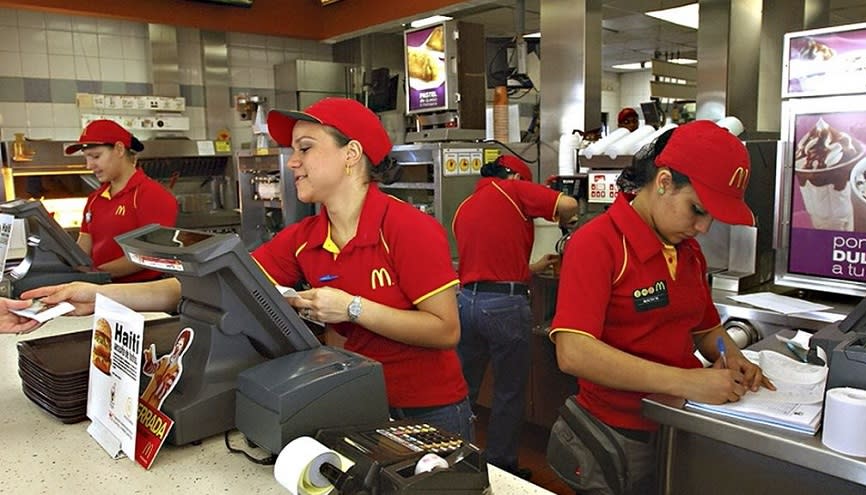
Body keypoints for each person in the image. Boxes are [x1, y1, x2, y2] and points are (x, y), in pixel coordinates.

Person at [20, 98, 474, 441]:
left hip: (424, 411)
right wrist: (93, 295)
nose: (292, 161)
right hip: (350, 401)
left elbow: (444, 330)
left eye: (306, 148)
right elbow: (198, 285)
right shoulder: (305, 236)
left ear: (351, 153)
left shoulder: (408, 228)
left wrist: (352, 308)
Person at [548, 120, 775, 495]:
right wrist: (687, 381)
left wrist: (731, 356)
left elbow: (706, 330)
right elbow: (574, 352)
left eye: (711, 217)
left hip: (678, 426)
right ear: (665, 182)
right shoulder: (598, 244)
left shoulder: (688, 252)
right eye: (696, 210)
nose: (703, 227)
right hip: (617, 436)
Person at [453, 154, 578, 478]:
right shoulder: (513, 191)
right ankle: (501, 465)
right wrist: (570, 220)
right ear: (516, 178)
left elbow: (486, 267)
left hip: (466, 302)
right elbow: (567, 203)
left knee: (464, 388)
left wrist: (533, 267)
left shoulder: (465, 206)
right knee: (508, 392)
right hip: (505, 306)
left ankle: (458, 461)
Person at [66, 120, 178, 282]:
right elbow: (84, 246)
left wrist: (95, 274)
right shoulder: (95, 199)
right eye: (87, 158)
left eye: (96, 156)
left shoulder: (152, 195)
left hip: (141, 294)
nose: (89, 165)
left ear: (119, 149)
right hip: (100, 287)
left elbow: (150, 254)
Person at [141, 328, 194, 410]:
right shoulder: (164, 359)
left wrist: (159, 380)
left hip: (154, 402)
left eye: (180, 345)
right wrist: (149, 360)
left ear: (183, 348)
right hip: (147, 394)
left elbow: (165, 389)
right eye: (177, 344)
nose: (177, 346)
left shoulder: (177, 369)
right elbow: (150, 370)